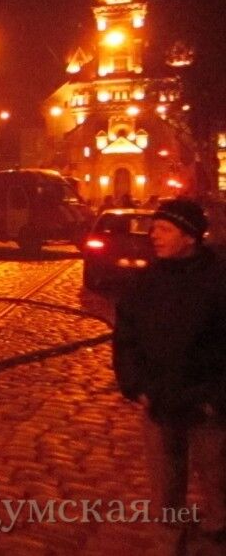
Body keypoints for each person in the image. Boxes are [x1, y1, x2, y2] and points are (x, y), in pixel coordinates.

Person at [113, 198, 226, 542]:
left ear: (189, 237)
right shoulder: (145, 281)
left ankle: (218, 532)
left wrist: (217, 396)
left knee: (217, 478)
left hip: (207, 403)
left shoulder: (218, 280)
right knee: (165, 483)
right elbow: (126, 336)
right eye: (153, 229)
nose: (154, 236)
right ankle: (170, 538)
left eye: (164, 229)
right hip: (158, 401)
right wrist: (135, 385)